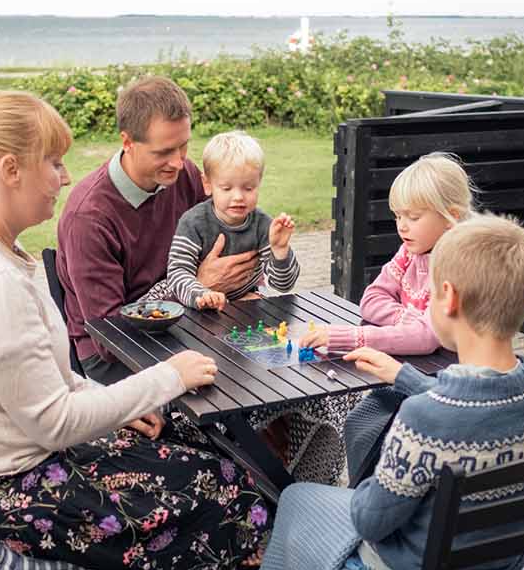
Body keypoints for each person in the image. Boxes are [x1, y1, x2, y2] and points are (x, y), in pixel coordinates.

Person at [0, 89, 270, 570]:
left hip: (13, 465)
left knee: (206, 461)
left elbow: (51, 379)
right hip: (11, 490)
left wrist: (116, 400)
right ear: (10, 169)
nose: (64, 176)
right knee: (234, 492)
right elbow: (54, 422)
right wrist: (165, 379)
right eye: (53, 162)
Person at [339, 214, 524, 570]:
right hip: (504, 563)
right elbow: (474, 412)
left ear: (449, 297)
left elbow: (370, 521)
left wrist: (359, 483)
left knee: (299, 503)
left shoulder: (423, 418)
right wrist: (405, 378)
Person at [55, 76, 256, 386]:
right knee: (236, 383)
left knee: (268, 362)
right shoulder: (90, 218)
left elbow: (230, 242)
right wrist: (195, 284)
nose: (178, 162)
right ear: (127, 142)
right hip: (118, 356)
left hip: (186, 324)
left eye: (184, 146)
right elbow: (111, 340)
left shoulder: (183, 175)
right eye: (163, 152)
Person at [296, 152, 476, 356]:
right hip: (419, 366)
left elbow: (426, 338)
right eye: (398, 216)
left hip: (456, 375)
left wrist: (346, 337)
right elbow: (371, 300)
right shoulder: (409, 253)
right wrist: (406, 320)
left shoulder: (458, 266)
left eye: (414, 217)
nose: (402, 227)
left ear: (450, 217)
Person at [167, 130, 298, 310]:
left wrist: (280, 251)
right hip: (194, 306)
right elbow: (177, 273)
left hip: (242, 308)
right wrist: (202, 294)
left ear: (259, 184)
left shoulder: (263, 226)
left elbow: (282, 285)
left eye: (248, 188)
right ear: (207, 185)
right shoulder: (193, 223)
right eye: (227, 188)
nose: (238, 197)